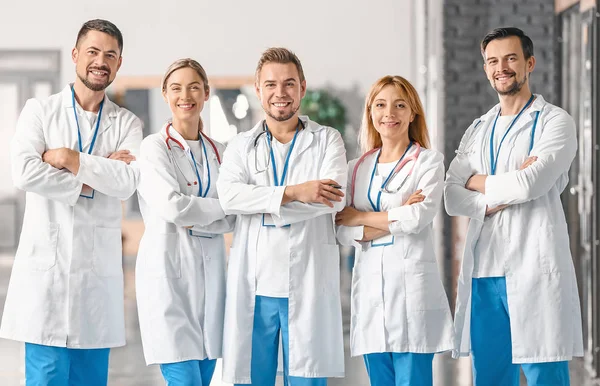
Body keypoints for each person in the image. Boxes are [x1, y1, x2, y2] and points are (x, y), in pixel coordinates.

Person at [0, 19, 142, 386]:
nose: (101, 61)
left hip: (97, 284)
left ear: (119, 63)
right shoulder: (40, 111)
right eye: (93, 52)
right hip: (46, 279)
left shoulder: (127, 123)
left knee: (90, 380)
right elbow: (25, 173)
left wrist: (67, 158)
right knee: (45, 378)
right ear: (77, 55)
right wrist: (95, 177)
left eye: (110, 55)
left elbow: (126, 182)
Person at [444, 27, 583, 385]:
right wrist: (492, 193)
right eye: (492, 61)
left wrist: (476, 183)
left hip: (533, 267)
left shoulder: (555, 122)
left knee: (545, 374)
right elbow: (450, 195)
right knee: (489, 377)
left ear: (529, 63)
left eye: (510, 59)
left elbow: (530, 183)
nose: (500, 67)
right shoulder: (478, 128)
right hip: (484, 273)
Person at [216, 47, 347, 386]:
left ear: (302, 87)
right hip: (255, 286)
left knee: (306, 380)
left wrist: (261, 202)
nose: (280, 93)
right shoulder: (240, 146)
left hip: (308, 281)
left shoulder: (327, 140)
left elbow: (331, 199)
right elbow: (230, 196)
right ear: (258, 90)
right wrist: (295, 192)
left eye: (289, 83)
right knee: (251, 379)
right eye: (271, 84)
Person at [335, 75, 454, 386]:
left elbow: (417, 219)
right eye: (381, 105)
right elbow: (340, 231)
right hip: (371, 297)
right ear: (371, 112)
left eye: (400, 105)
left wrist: (359, 216)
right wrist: (395, 216)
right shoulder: (355, 168)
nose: (390, 113)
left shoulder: (428, 162)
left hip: (410, 296)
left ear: (412, 113)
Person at [135, 58, 234, 386]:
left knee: (202, 380)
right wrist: (221, 208)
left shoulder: (221, 152)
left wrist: (202, 214)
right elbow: (173, 207)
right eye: (176, 88)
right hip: (169, 282)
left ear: (206, 93)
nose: (185, 95)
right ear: (165, 94)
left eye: (194, 86)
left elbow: (235, 216)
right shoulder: (153, 148)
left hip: (212, 285)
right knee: (185, 380)